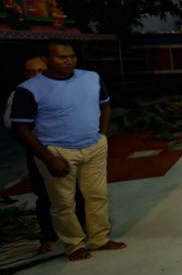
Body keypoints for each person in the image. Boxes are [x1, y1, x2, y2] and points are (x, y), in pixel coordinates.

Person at [9, 40, 126, 262]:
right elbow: (20, 129)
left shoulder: (91, 77)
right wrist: (48, 158)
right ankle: (74, 245)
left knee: (97, 196)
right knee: (63, 202)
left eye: (72, 56)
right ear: (45, 60)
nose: (69, 61)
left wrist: (102, 136)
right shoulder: (28, 90)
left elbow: (105, 105)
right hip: (56, 152)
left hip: (94, 147)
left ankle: (99, 238)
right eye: (61, 57)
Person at [4, 56, 86, 253]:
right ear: (25, 74)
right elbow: (11, 122)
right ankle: (48, 237)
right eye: (30, 72)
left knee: (77, 190)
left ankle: (83, 229)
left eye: (40, 71)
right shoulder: (20, 94)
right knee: (44, 194)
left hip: (68, 146)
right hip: (39, 150)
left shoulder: (63, 88)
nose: (35, 76)